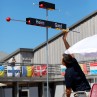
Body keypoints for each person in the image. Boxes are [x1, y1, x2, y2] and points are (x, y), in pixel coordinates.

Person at [62, 31, 91, 97]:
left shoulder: (68, 73)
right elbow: (70, 50)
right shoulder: (74, 64)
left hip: (81, 94)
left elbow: (68, 90)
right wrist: (64, 40)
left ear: (64, 62)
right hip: (88, 91)